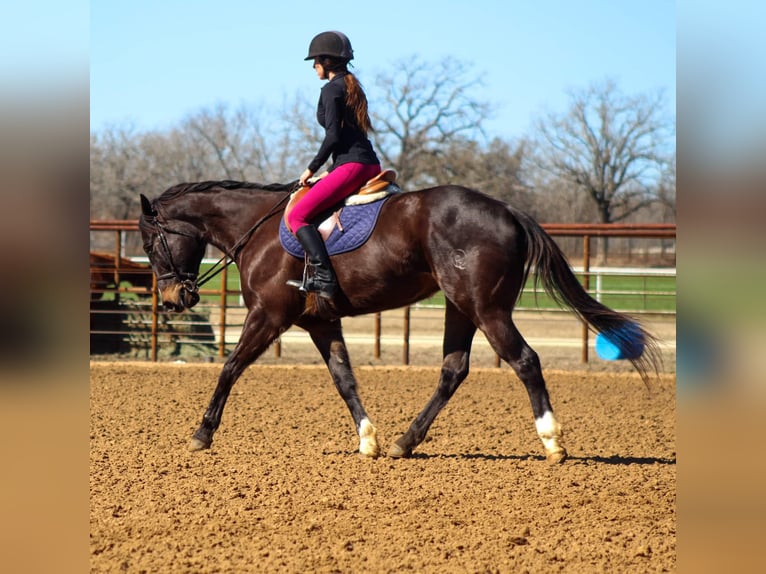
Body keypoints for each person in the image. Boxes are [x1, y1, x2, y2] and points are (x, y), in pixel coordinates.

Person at [286, 30, 381, 300]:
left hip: (353, 166)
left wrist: (311, 168)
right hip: (367, 164)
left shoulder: (331, 90)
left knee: (297, 216)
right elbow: (349, 138)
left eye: (315, 60)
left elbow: (333, 137)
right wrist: (330, 171)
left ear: (326, 61)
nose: (313, 66)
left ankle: (325, 278)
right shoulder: (352, 86)